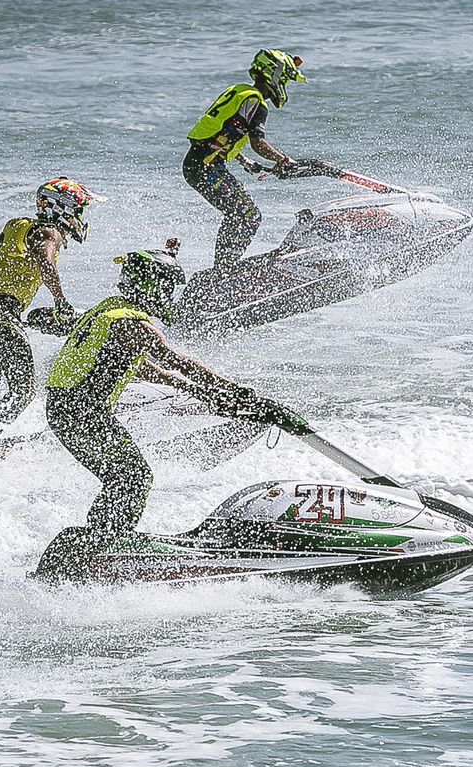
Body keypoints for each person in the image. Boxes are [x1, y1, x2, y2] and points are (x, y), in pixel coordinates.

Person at [36, 243, 307, 578]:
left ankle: (98, 541)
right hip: (83, 413)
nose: (169, 296)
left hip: (67, 411)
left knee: (121, 476)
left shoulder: (107, 311)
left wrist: (196, 392)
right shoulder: (134, 323)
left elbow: (141, 368)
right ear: (153, 285)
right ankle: (104, 547)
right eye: (167, 287)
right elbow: (177, 361)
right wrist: (233, 391)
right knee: (134, 477)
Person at [0, 177, 104, 464]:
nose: (80, 217)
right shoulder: (49, 232)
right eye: (79, 210)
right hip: (4, 315)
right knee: (23, 392)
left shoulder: (16, 226)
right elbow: (45, 263)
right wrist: (60, 302)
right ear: (64, 208)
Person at [183, 49, 309, 269]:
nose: (285, 87)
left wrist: (243, 160)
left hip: (198, 162)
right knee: (248, 215)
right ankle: (223, 270)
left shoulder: (240, 91)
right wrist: (283, 160)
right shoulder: (257, 103)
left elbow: (221, 133)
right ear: (275, 76)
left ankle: (223, 267)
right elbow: (258, 143)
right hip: (207, 168)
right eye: (286, 81)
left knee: (239, 213)